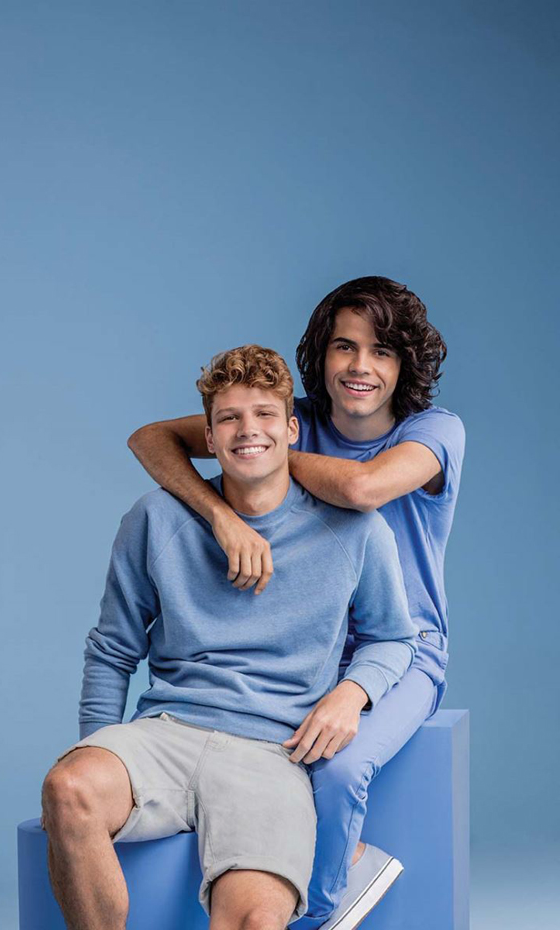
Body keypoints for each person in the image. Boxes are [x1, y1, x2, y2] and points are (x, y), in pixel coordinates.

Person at [127, 276, 466, 930]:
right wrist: (222, 515)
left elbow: (364, 489)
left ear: (405, 364)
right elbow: (149, 439)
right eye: (345, 347)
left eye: (382, 351)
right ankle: (316, 869)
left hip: (403, 649)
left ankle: (321, 909)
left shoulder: (435, 430)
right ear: (321, 353)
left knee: (336, 769)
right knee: (245, 756)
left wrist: (269, 462)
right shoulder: (291, 419)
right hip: (302, 646)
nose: (361, 366)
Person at [41, 344, 418, 930]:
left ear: (291, 429)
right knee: (70, 787)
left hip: (271, 753)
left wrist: (353, 693)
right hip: (165, 733)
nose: (248, 430)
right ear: (210, 439)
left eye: (265, 414)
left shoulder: (356, 530)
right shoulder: (156, 519)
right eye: (229, 418)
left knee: (253, 921)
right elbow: (112, 648)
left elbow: (394, 637)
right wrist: (100, 749)